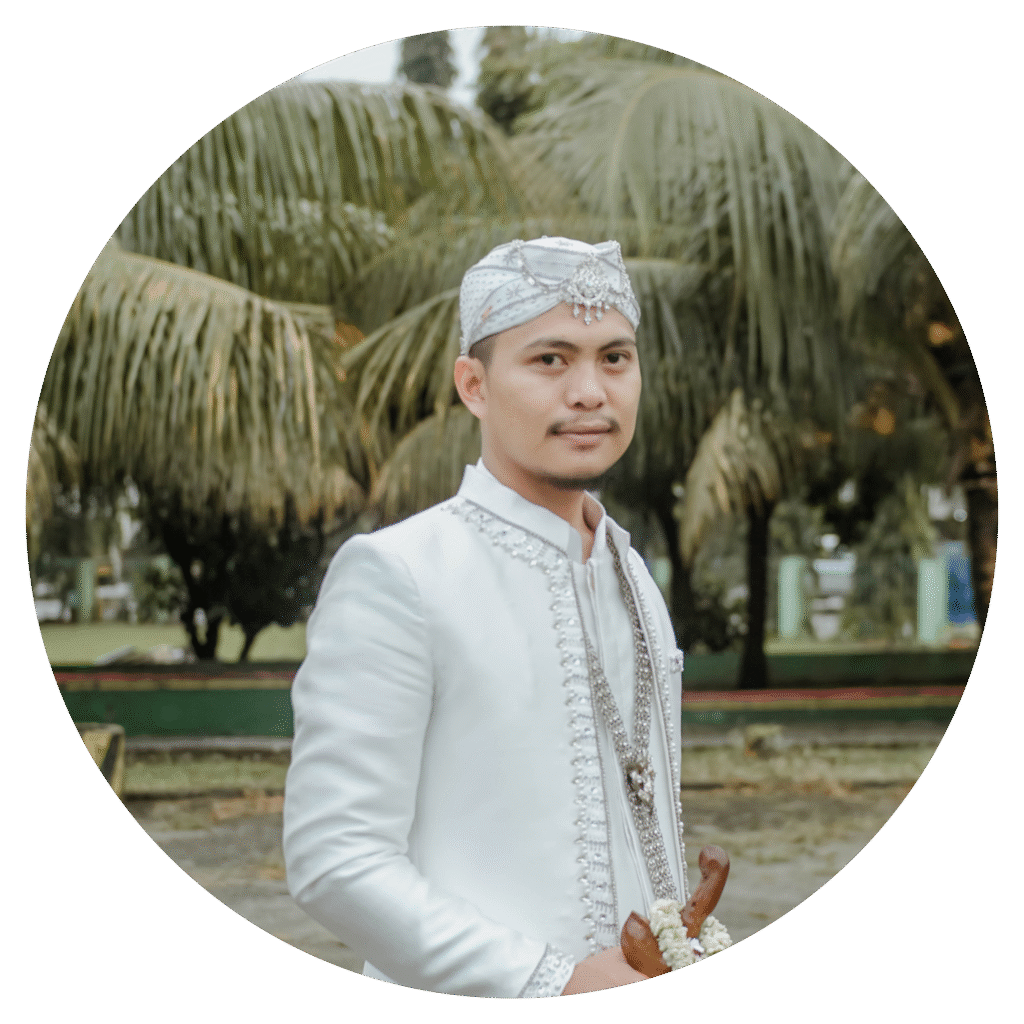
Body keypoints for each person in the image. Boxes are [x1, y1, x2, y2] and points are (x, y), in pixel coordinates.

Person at [283, 237, 690, 997]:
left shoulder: (630, 572)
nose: (590, 393)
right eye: (550, 360)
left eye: (615, 358)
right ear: (473, 385)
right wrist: (552, 982)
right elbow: (334, 858)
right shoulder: (402, 572)